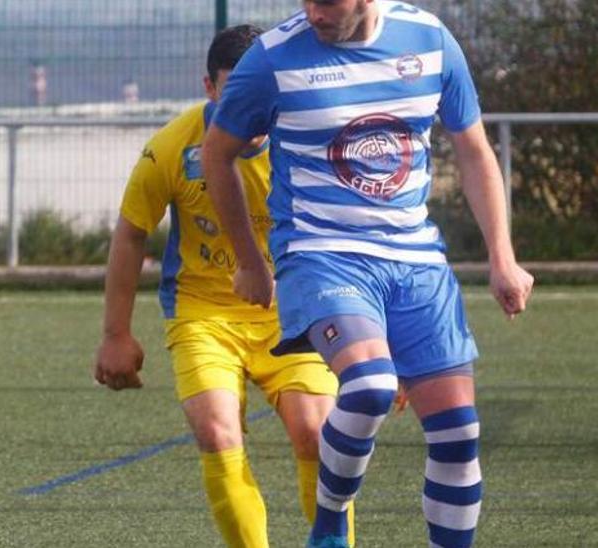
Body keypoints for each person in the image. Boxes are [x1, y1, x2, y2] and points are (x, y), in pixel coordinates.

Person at [202, 2, 535, 547]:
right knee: (371, 386)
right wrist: (249, 260)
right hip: (320, 254)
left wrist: (503, 254)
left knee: (458, 435)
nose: (313, 12)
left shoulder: (429, 40)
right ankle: (330, 519)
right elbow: (217, 154)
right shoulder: (272, 60)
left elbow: (473, 151)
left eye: (328, 0)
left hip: (416, 260)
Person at [93, 24, 357, 548]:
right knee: (216, 432)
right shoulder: (170, 148)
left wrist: (374, 340)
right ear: (210, 89)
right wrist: (116, 334)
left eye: (260, 89)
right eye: (235, 91)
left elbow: (353, 234)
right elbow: (129, 237)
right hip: (203, 316)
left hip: (294, 313)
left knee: (318, 434)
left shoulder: (307, 142)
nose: (251, 105)